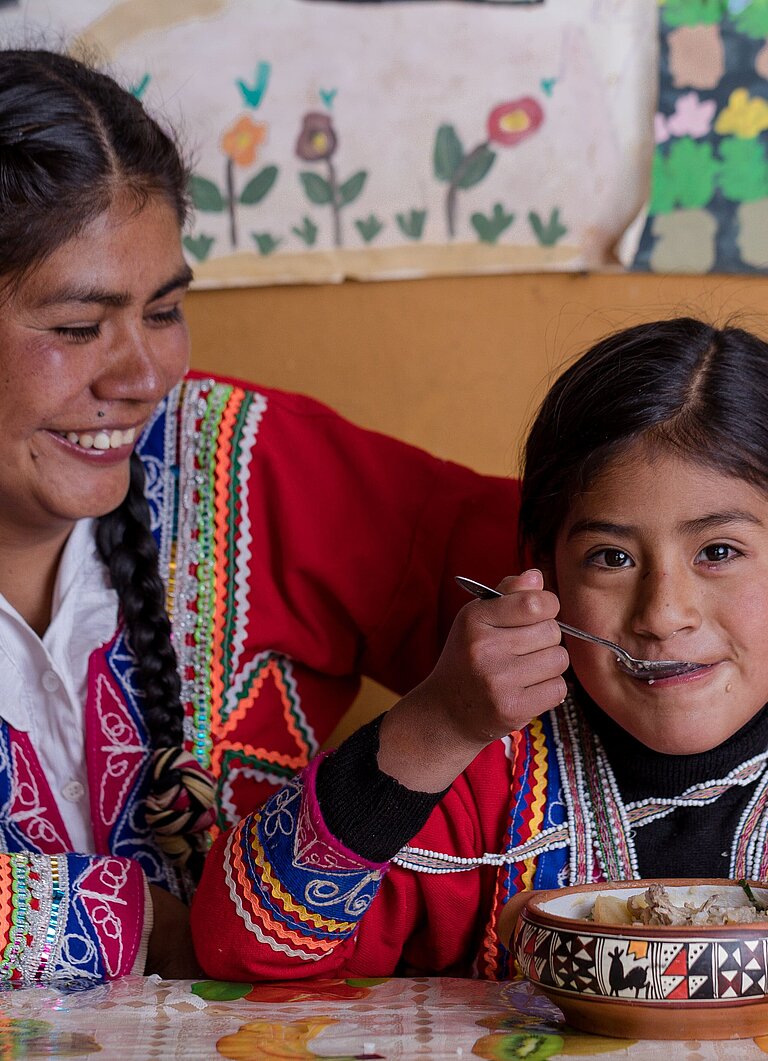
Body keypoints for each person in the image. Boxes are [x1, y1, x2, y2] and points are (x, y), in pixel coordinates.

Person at [0, 48, 522, 986]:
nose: (144, 377)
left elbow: (618, 579)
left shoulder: (256, 463)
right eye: (79, 328)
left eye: (164, 310)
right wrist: (142, 922)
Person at [192, 315, 768, 982]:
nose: (664, 614)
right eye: (610, 557)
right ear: (544, 575)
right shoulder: (489, 778)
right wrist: (437, 725)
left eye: (718, 551)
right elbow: (240, 943)